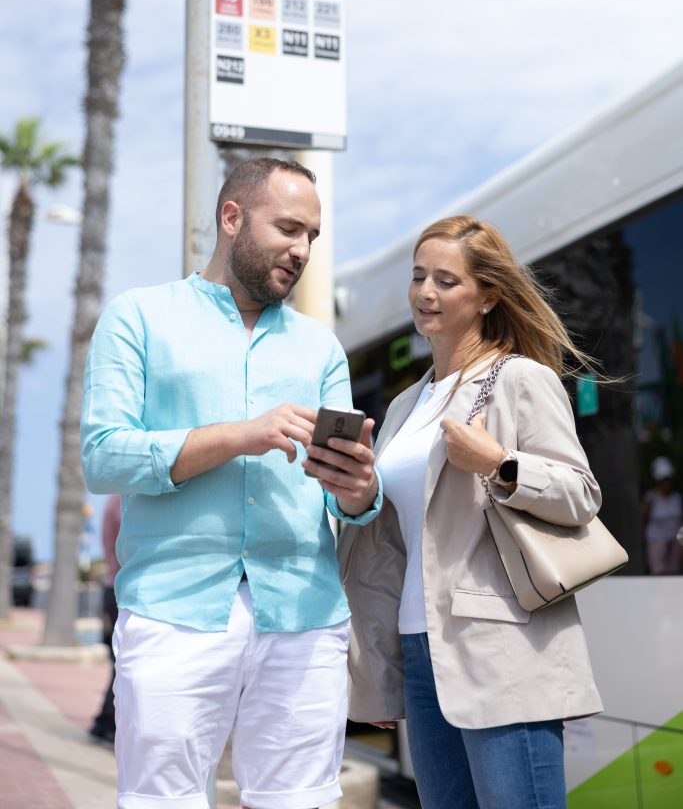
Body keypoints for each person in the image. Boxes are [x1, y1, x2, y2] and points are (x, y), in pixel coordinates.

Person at [81, 157, 380, 809]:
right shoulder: (138, 318)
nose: (302, 250)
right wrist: (242, 434)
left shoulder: (320, 348)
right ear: (232, 217)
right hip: (172, 610)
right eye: (289, 229)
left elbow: (347, 504)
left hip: (304, 613)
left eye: (312, 237)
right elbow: (103, 458)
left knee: (300, 802)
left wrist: (358, 488)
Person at [338, 214, 603, 809]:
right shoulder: (408, 402)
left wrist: (500, 462)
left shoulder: (520, 379)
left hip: (503, 648)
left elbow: (581, 494)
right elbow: (394, 545)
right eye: (418, 277)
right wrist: (357, 494)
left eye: (445, 280)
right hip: (419, 649)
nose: (426, 293)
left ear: (488, 296)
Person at [89, 492, 121, 747]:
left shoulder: (114, 499)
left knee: (119, 662)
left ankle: (104, 723)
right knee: (123, 663)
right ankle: (107, 725)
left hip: (113, 587)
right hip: (120, 589)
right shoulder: (123, 500)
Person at [642, 456, 682, 575]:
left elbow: (681, 522)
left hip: (675, 542)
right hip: (656, 542)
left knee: (674, 574)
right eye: (663, 479)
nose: (666, 482)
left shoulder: (676, 499)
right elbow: (643, 519)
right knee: (658, 574)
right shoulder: (651, 498)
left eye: (667, 479)